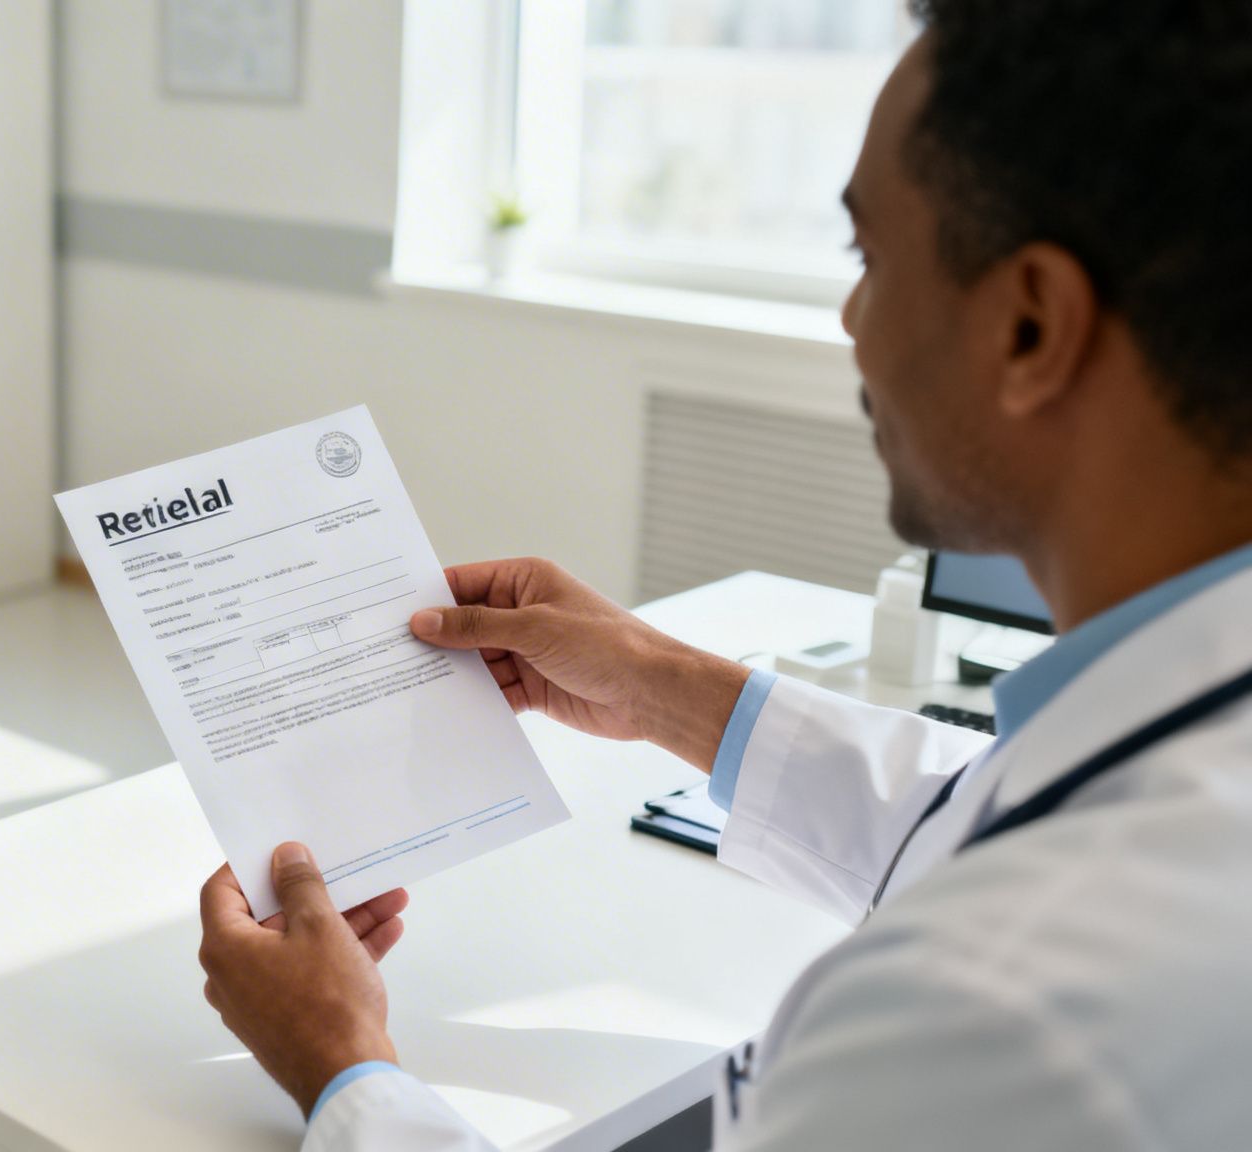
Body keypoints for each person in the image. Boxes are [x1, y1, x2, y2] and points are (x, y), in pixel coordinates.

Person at [198, 2, 1252, 1148]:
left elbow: (1008, 896)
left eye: (869, 257)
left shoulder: (992, 1018)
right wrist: (658, 682)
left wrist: (344, 1073)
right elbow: (977, 813)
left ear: (1029, 328)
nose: (850, 317)